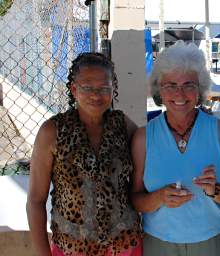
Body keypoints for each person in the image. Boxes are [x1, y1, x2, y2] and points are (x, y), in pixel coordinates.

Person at [26, 52, 142, 256]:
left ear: (112, 89)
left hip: (124, 246)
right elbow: (35, 200)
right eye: (87, 87)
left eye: (104, 88)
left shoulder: (124, 126)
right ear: (74, 89)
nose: (96, 95)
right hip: (72, 248)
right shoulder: (53, 132)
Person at [131, 41, 220, 256]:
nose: (180, 94)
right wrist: (158, 198)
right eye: (171, 86)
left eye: (189, 85)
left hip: (212, 241)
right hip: (159, 243)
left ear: (200, 89)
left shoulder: (219, 130)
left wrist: (214, 190)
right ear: (160, 90)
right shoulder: (143, 137)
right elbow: (135, 199)